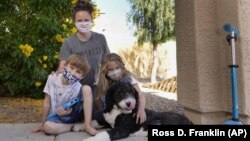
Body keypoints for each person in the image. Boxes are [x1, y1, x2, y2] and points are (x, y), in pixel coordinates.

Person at [32, 53, 97, 135]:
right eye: (72, 68)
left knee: (86, 88)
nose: (73, 73)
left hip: (73, 115)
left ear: (82, 76)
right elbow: (47, 103)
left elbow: (73, 109)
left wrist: (68, 112)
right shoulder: (52, 79)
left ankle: (87, 125)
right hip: (58, 116)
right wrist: (42, 123)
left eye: (78, 72)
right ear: (65, 66)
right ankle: (74, 126)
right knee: (47, 127)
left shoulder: (77, 87)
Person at [57, 0, 110, 89]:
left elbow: (108, 63)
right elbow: (62, 68)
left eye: (86, 20)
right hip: (72, 89)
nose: (83, 23)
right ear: (75, 22)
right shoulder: (68, 42)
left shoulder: (101, 39)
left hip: (95, 88)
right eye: (80, 20)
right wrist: (55, 79)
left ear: (91, 20)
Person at [95, 53, 147, 124]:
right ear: (105, 70)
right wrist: (103, 112)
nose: (115, 72)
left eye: (117, 68)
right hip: (109, 108)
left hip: (127, 107)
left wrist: (141, 110)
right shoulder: (102, 79)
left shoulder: (128, 76)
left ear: (122, 66)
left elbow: (140, 95)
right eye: (110, 70)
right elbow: (97, 98)